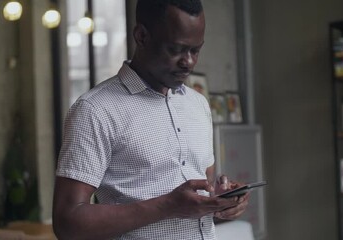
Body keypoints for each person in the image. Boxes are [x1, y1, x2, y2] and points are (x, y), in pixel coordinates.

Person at [53, 0, 250, 239]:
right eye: (176, 49)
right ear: (142, 36)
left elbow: (198, 200)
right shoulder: (95, 110)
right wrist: (167, 206)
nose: (188, 62)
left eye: (195, 50)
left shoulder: (198, 105)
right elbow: (67, 222)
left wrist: (220, 204)